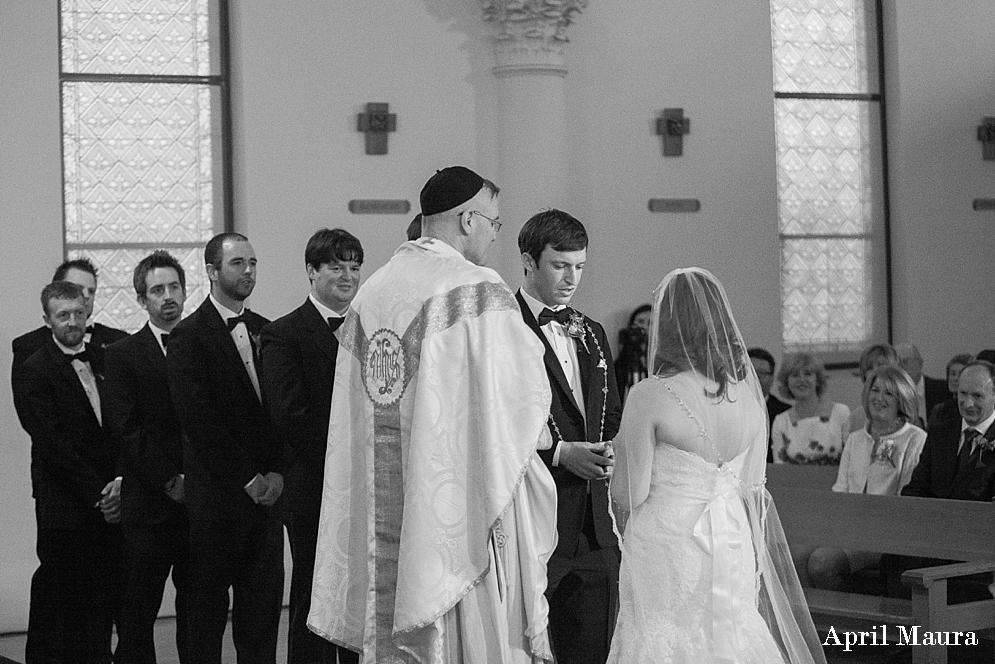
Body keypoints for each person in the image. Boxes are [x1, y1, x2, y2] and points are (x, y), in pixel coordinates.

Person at [308, 166, 557, 663]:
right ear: (468, 219)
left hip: (387, 502)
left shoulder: (373, 292)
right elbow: (523, 395)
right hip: (455, 505)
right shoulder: (473, 288)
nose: (493, 234)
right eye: (494, 222)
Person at [607, 268, 824, 664]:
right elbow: (752, 481)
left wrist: (618, 451)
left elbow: (629, 493)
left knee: (664, 639)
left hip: (670, 542)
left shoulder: (650, 394)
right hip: (732, 538)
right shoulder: (746, 394)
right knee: (733, 632)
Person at [167, 233, 285, 663]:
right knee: (206, 619)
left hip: (266, 504)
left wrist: (276, 474)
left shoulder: (265, 330)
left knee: (262, 617)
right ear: (212, 272)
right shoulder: (187, 337)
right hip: (216, 505)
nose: (248, 271)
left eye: (253, 262)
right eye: (237, 263)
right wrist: (248, 478)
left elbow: (277, 413)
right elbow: (199, 421)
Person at [515, 209, 622, 664]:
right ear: (528, 262)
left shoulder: (591, 331)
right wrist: (559, 454)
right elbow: (496, 425)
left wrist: (603, 451)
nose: (571, 278)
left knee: (590, 652)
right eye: (559, 265)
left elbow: (611, 412)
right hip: (533, 519)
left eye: (579, 266)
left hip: (594, 528)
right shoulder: (502, 328)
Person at [259, 228, 364, 664]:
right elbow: (289, 415)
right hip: (313, 486)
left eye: (355, 267)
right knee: (314, 595)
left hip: (363, 486)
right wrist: (347, 459)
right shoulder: (283, 333)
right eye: (336, 266)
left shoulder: (371, 328)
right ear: (311, 271)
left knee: (359, 594)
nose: (348, 276)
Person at [14, 280, 123, 664]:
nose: (72, 321)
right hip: (67, 505)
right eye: (63, 315)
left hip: (112, 497)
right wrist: (100, 492)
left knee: (102, 598)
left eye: (79, 312)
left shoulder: (108, 357)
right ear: (47, 320)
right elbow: (53, 444)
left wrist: (120, 483)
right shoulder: (34, 369)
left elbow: (122, 426)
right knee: (64, 598)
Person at [102, 251, 190, 663]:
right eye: (157, 290)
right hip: (150, 507)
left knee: (200, 613)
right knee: (137, 615)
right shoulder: (122, 354)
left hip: (200, 504)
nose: (167, 296)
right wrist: (170, 479)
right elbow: (126, 429)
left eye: (174, 287)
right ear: (142, 300)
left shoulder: (206, 345)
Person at [803, 365, 926, 589]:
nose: (879, 398)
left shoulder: (915, 438)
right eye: (875, 390)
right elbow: (840, 490)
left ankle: (848, 621)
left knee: (821, 564)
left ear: (902, 400)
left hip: (888, 535)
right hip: (848, 529)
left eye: (888, 393)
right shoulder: (856, 439)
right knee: (795, 557)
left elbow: (907, 499)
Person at [11, 258, 128, 422]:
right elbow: (29, 414)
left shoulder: (119, 341)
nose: (86, 296)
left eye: (91, 291)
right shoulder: (29, 346)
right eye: (77, 289)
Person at [902, 360, 995, 501]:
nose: (968, 403)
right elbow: (918, 487)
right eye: (963, 393)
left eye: (977, 396)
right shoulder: (939, 433)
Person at [770, 353, 851, 465]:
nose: (801, 380)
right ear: (786, 382)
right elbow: (780, 468)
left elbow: (851, 460)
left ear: (817, 380)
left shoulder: (841, 412)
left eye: (807, 374)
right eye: (795, 375)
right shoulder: (781, 422)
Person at [748, 347, 791, 462]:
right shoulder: (728, 409)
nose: (756, 378)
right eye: (750, 372)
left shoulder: (785, 413)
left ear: (772, 378)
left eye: (762, 373)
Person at [895, 342, 948, 430]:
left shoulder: (943, 389)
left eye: (905, 361)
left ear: (920, 362)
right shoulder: (891, 394)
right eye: (896, 363)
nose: (900, 367)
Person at [614, 304, 651, 402]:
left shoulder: (661, 364)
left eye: (650, 323)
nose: (644, 327)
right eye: (640, 322)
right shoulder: (621, 365)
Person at [927, 352, 971, 430]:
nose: (956, 378)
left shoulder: (972, 408)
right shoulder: (939, 409)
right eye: (953, 374)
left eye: (960, 374)